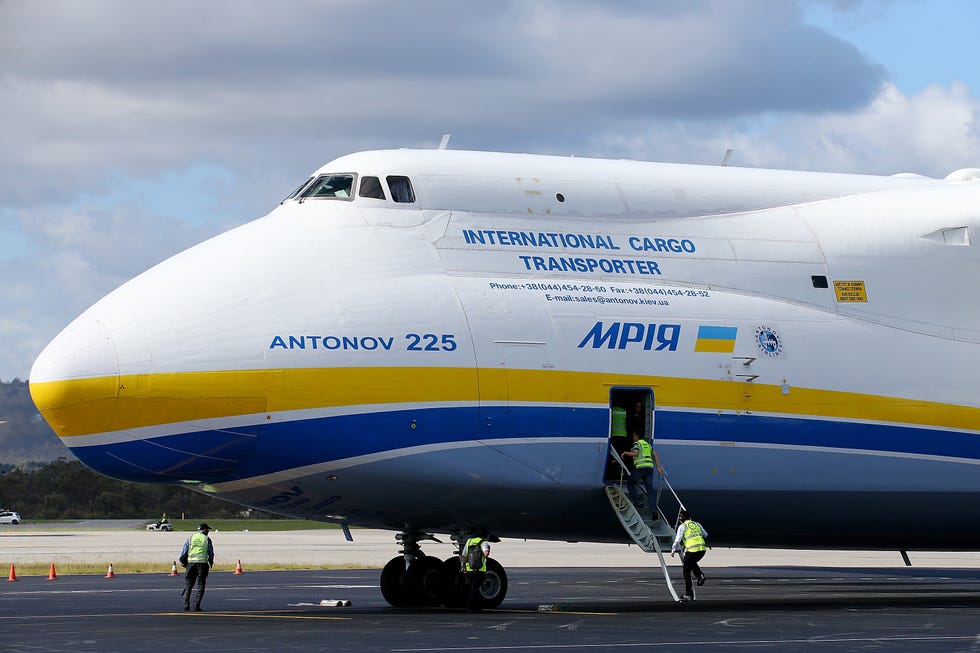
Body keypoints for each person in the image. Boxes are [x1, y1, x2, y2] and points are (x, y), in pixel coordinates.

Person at [670, 509, 707, 601]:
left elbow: (678, 539)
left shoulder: (682, 526)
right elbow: (705, 534)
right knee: (691, 563)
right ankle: (700, 575)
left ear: (681, 519)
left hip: (692, 550)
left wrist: (673, 550)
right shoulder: (697, 524)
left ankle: (689, 594)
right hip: (702, 549)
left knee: (686, 571)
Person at [622, 432, 663, 514]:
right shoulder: (647, 445)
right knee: (650, 490)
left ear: (637, 436)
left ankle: (638, 503)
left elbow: (635, 454)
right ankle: (654, 511)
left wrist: (625, 453)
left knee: (630, 484)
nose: (633, 438)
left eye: (633, 436)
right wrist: (658, 466)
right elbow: (656, 455)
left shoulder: (637, 444)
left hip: (641, 468)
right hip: (650, 468)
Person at [179, 523, 214, 611]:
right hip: (202, 564)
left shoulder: (190, 538)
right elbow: (210, 552)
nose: (208, 531)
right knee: (201, 584)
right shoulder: (206, 539)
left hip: (190, 564)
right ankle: (196, 605)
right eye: (207, 529)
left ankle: (186, 603)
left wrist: (182, 561)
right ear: (204, 530)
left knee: (189, 583)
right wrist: (210, 562)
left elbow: (185, 550)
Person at [461, 534, 491, 612]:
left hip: (469, 569)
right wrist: (488, 550)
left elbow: (464, 555)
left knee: (473, 588)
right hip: (479, 569)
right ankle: (471, 607)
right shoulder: (483, 542)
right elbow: (486, 554)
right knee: (475, 589)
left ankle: (476, 606)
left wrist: (463, 567)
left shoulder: (469, 541)